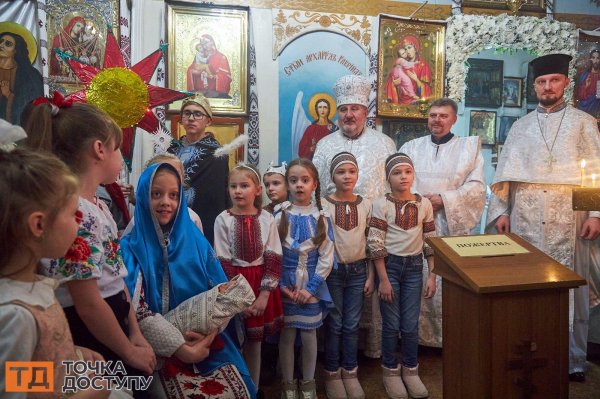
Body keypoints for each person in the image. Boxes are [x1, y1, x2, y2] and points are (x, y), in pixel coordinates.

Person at [23, 98, 156, 378]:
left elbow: (116, 277)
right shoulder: (76, 214)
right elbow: (88, 303)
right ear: (99, 149)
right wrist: (129, 351)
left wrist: (134, 330)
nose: (121, 157)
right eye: (118, 147)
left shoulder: (98, 205)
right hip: (93, 330)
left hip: (114, 320)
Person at [487, 53, 600, 382]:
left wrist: (594, 213)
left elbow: (594, 170)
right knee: (526, 282)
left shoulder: (583, 122)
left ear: (565, 83)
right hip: (526, 212)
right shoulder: (521, 126)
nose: (547, 87)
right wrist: (501, 212)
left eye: (553, 80)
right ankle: (525, 350)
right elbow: (505, 171)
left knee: (571, 285)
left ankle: (572, 359)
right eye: (541, 82)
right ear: (534, 87)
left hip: (570, 213)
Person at [121, 162, 257, 398]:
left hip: (207, 342)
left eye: (174, 195)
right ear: (143, 197)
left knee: (243, 391)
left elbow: (221, 293)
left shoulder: (195, 240)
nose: (166, 202)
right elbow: (136, 309)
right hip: (155, 347)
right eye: (156, 194)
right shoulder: (130, 246)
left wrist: (208, 336)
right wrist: (181, 348)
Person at [0, 148, 111, 398]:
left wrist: (69, 354)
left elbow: (27, 374)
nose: (80, 220)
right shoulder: (16, 316)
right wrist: (90, 394)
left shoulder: (35, 288)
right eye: (73, 214)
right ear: (38, 224)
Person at [313, 74, 395, 358]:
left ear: (365, 112)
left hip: (371, 234)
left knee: (365, 301)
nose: (349, 114)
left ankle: (363, 355)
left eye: (355, 109)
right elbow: (317, 191)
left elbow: (391, 189)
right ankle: (334, 360)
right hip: (335, 239)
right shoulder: (324, 145)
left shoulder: (385, 144)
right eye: (344, 109)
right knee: (336, 309)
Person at [399, 97, 485, 349]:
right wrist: (419, 203)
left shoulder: (468, 149)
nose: (437, 120)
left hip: (449, 225)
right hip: (415, 223)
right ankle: (414, 337)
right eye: (433, 115)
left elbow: (477, 187)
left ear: (454, 119)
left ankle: (446, 339)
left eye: (443, 116)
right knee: (416, 278)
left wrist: (444, 199)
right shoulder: (411, 147)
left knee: (447, 280)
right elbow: (398, 178)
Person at [367, 153, 436, 399]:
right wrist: (383, 280)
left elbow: (430, 241)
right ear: (388, 178)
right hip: (390, 268)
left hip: (415, 268)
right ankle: (390, 371)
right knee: (391, 324)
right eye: (397, 172)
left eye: (407, 171)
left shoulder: (423, 204)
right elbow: (375, 244)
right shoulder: (381, 204)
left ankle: (410, 369)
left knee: (410, 324)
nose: (403, 176)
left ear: (413, 174)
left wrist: (432, 275)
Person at [213, 164, 284, 393]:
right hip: (233, 284)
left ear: (257, 190)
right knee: (232, 340)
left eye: (244, 186)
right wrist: (238, 300)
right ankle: (235, 387)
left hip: (260, 282)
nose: (238, 191)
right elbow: (222, 260)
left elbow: (273, 255)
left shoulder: (267, 218)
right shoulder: (222, 219)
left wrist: (264, 296)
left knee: (255, 342)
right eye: (233, 186)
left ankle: (252, 388)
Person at [275, 158, 335, 399]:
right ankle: (288, 383)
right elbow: (272, 252)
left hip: (312, 286)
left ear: (314, 184)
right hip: (286, 284)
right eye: (293, 180)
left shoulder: (322, 216)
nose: (299, 185)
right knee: (287, 334)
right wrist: (281, 286)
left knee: (310, 334)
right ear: (287, 185)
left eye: (305, 180)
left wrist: (311, 289)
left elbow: (327, 257)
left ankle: (308, 382)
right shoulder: (280, 214)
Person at [321, 152, 374, 399]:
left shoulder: (365, 203)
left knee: (352, 325)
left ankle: (350, 372)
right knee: (335, 324)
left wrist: (371, 275)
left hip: (358, 271)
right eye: (341, 172)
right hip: (333, 272)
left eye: (351, 171)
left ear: (357, 174)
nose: (347, 176)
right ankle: (332, 373)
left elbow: (371, 241)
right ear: (333, 176)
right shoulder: (324, 204)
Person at [168, 94, 229, 245]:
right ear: (181, 118)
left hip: (202, 219)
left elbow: (216, 195)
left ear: (208, 120)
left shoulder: (217, 154)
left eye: (198, 114)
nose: (191, 118)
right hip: (170, 216)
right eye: (187, 113)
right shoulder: (170, 150)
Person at [122, 153, 204, 235]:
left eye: (174, 173)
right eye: (157, 194)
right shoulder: (136, 222)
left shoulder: (192, 220)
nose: (165, 202)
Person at [0, 29, 43, 124]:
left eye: (8, 44)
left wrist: (9, 96)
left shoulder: (29, 75)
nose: (1, 45)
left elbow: (31, 106)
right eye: (1, 41)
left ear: (16, 50)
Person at [385, 36, 432, 105]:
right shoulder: (401, 64)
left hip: (416, 103)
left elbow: (428, 90)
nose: (407, 51)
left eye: (409, 47)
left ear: (415, 49)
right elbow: (390, 82)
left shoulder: (423, 66)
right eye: (405, 49)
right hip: (401, 103)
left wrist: (417, 80)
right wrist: (394, 84)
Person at [576, 48, 600, 119]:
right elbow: (579, 95)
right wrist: (586, 86)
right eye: (593, 58)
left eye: (598, 58)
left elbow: (598, 95)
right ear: (590, 59)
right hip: (584, 107)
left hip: (596, 108)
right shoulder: (585, 74)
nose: (595, 61)